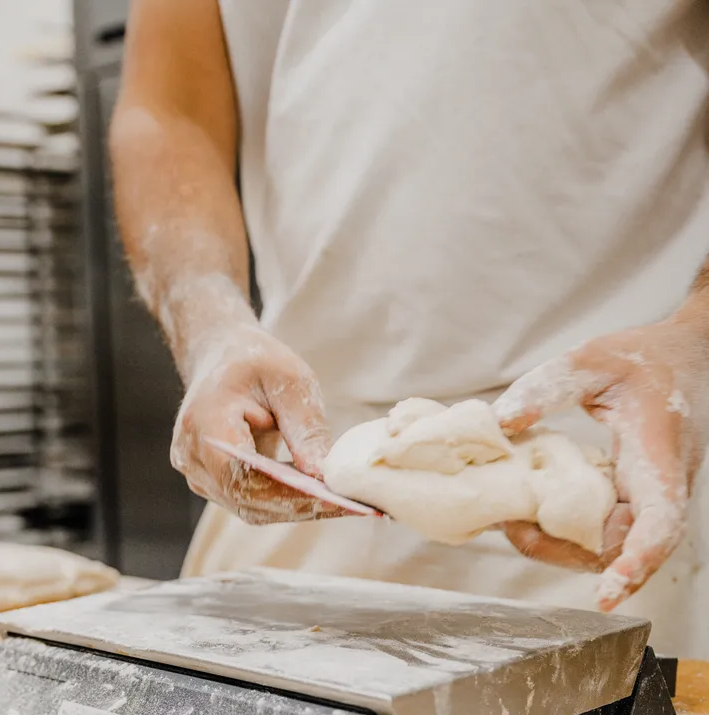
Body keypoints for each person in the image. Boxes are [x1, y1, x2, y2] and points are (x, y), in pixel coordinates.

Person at [109, 0, 709, 657]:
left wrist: (695, 338)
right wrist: (210, 326)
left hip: (615, 474)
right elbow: (169, 112)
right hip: (299, 480)